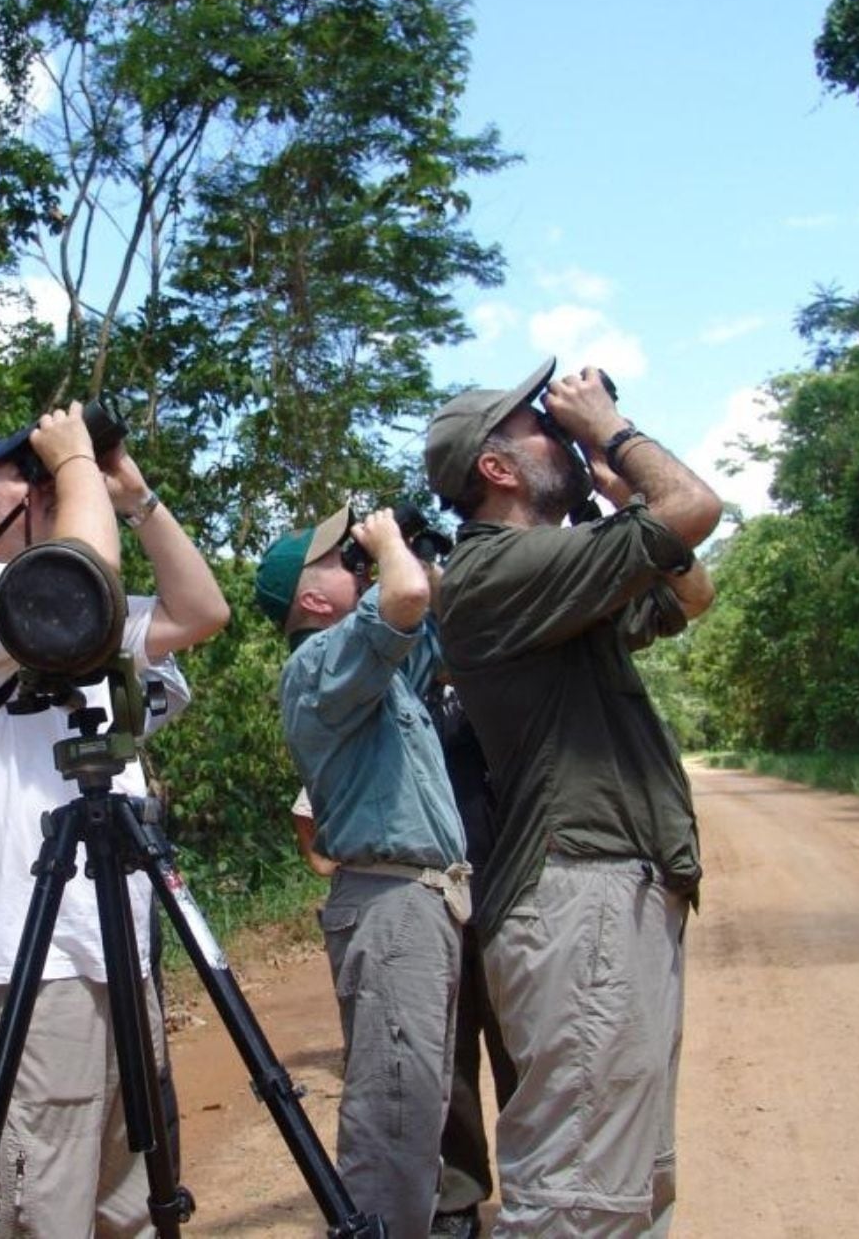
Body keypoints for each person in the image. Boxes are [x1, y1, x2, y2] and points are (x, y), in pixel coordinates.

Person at [423, 361, 721, 1238]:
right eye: (540, 426)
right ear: (498, 467)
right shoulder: (490, 572)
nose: (561, 433)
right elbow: (695, 506)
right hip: (578, 894)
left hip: (610, 891)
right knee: (578, 1199)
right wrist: (610, 431)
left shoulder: (554, 578)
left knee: (629, 1182)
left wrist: (619, 484)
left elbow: (691, 590)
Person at [0, 408, 228, 1236]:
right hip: (29, 964)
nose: (52, 483)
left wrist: (136, 496)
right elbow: (83, 573)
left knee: (127, 1206)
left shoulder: (74, 618)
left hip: (115, 948)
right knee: (38, 1215)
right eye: (31, 476)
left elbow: (201, 612)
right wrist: (79, 457)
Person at [257, 505, 470, 1239]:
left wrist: (403, 545)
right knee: (393, 1123)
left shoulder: (374, 672)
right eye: (340, 562)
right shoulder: (318, 662)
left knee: (417, 1116)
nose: (356, 564)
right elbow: (405, 597)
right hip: (390, 906)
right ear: (313, 601)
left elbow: (425, 601)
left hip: (418, 906)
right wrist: (385, 546)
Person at [426, 679, 517, 1239]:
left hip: (512, 882)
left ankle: (535, 1184)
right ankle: (457, 1194)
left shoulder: (499, 657)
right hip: (433, 890)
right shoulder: (401, 680)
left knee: (523, 1049)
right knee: (448, 1053)